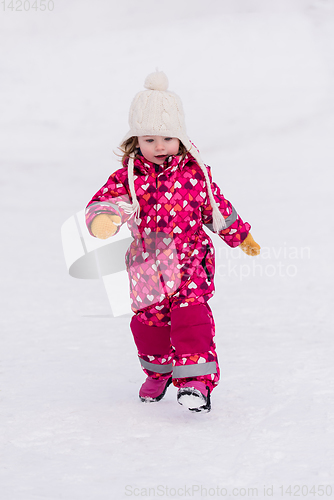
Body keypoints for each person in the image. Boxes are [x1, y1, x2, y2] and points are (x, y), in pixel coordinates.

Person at [85, 71, 260, 413]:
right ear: (136, 141)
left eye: (167, 138)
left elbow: (216, 208)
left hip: (192, 259)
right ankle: (158, 370)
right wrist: (105, 219)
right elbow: (106, 202)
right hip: (148, 265)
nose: (159, 147)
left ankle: (195, 381)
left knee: (191, 318)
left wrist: (240, 235)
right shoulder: (128, 177)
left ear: (180, 137)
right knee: (149, 324)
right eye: (149, 140)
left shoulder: (197, 174)